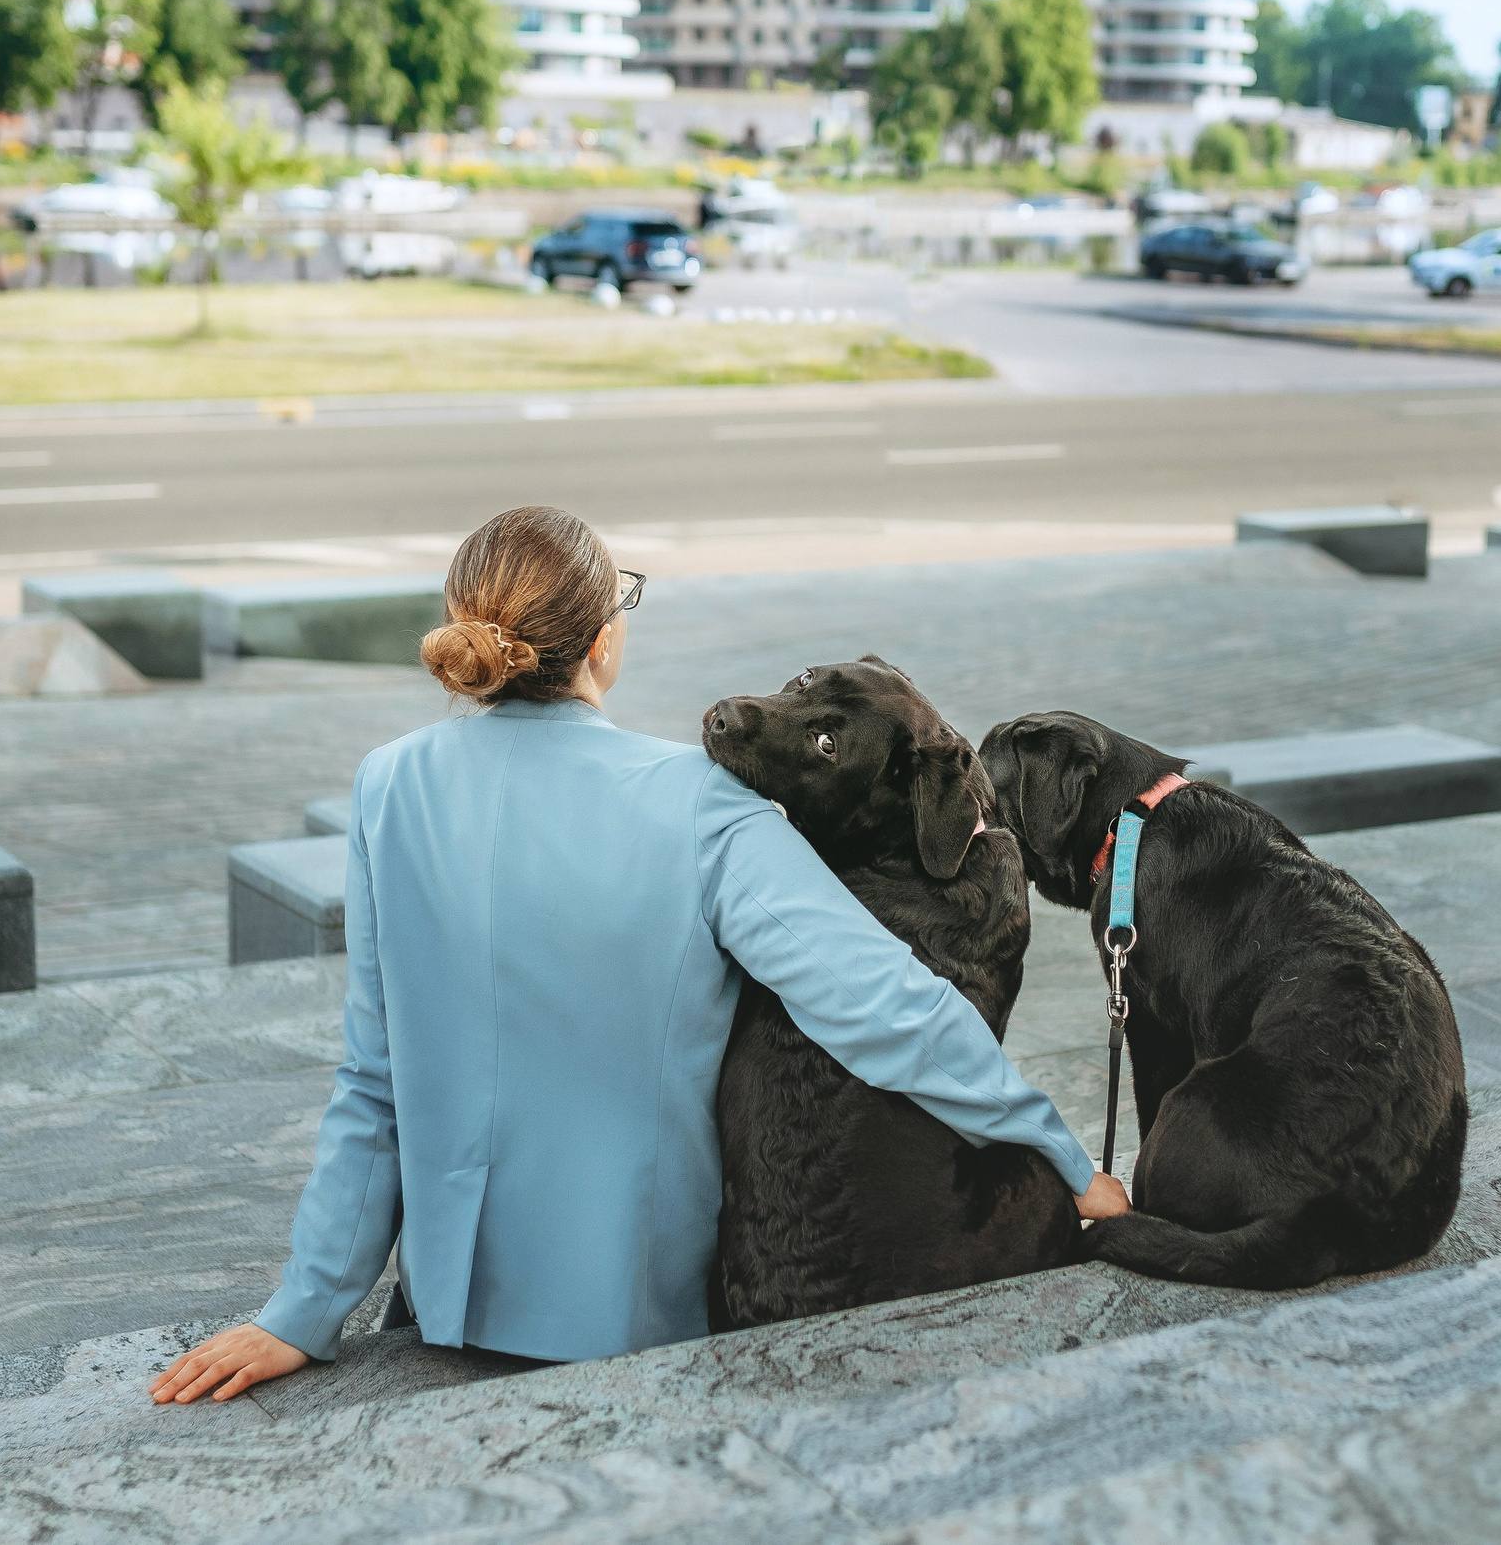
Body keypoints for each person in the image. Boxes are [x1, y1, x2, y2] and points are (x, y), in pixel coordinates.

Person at [151, 505, 1127, 1405]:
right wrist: (1062, 1153)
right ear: (605, 639)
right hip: (637, 1318)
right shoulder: (702, 803)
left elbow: (374, 1080)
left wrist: (304, 1311)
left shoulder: (389, 785)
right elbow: (886, 1008)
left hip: (446, 1307)